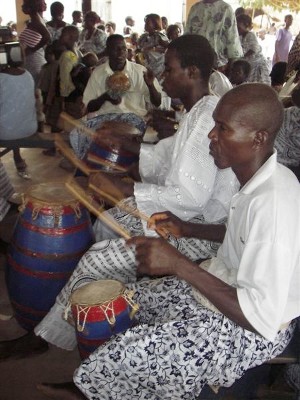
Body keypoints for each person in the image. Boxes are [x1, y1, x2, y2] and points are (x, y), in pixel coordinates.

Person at [34, 83, 300, 400]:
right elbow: (237, 231)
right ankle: (101, 386)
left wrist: (178, 264)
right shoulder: (257, 182)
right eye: (214, 124)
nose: (211, 136)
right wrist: (187, 229)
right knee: (129, 300)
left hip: (253, 330)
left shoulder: (273, 202)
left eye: (223, 128)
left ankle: (95, 388)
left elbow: (260, 316)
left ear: (258, 138)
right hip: (227, 286)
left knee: (129, 350)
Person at [0, 35, 238, 365]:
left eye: (169, 71)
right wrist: (127, 149)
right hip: (182, 217)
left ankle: (48, 339)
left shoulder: (207, 114)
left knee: (97, 256)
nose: (163, 76)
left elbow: (189, 197)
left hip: (201, 231)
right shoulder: (197, 112)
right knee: (103, 230)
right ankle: (106, 315)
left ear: (193, 71)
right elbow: (166, 160)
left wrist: (124, 188)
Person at [70, 34, 162, 159]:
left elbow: (157, 102)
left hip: (135, 118)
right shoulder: (99, 73)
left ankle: (122, 164)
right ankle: (88, 167)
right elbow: (89, 107)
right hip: (106, 119)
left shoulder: (140, 72)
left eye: (124, 49)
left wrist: (151, 86)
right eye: (116, 49)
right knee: (76, 134)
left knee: (126, 138)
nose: (121, 53)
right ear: (107, 51)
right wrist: (105, 97)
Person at [0, 51, 37, 179]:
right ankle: (18, 158)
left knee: (8, 121)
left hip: (6, 132)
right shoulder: (27, 75)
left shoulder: (1, 78)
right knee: (12, 117)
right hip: (29, 128)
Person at [185, 0, 243, 72]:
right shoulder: (195, 8)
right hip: (195, 64)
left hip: (219, 66)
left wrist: (229, 70)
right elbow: (187, 38)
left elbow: (232, 40)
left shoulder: (226, 9)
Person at [18, 0, 50, 86]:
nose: (22, 6)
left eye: (24, 4)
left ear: (32, 6)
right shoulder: (34, 20)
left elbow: (47, 36)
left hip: (33, 63)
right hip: (31, 62)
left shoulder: (36, 20)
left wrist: (32, 49)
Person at [237, 14, 271, 84]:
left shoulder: (250, 35)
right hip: (251, 65)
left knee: (258, 84)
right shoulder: (241, 37)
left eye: (239, 27)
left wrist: (242, 58)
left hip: (257, 66)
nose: (237, 29)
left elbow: (253, 49)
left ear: (246, 26)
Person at [137, 14, 169, 81]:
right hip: (146, 64)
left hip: (158, 67)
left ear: (155, 24)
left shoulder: (160, 36)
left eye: (148, 23)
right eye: (145, 22)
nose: (145, 24)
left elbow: (169, 49)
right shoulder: (143, 37)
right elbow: (139, 48)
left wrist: (154, 49)